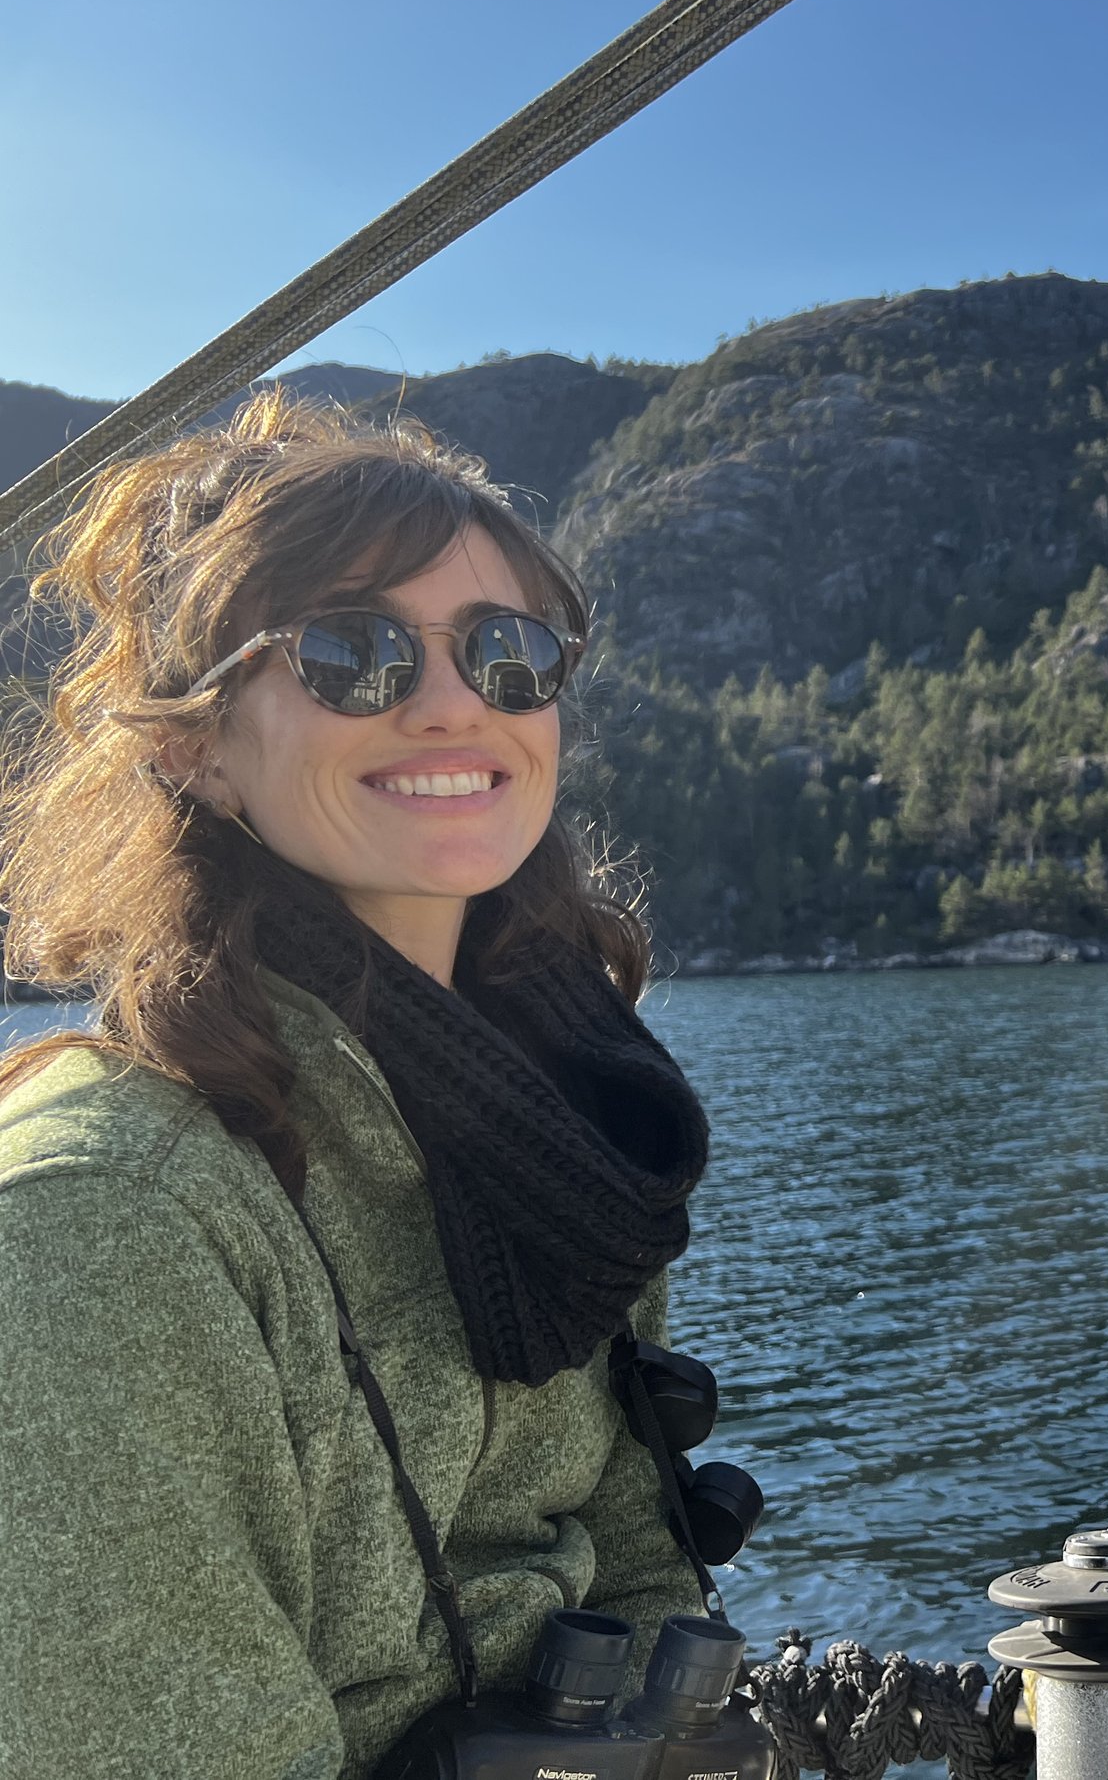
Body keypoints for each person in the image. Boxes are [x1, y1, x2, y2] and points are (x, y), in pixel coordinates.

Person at [0, 395, 712, 1777]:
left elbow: (642, 1573)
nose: (454, 702)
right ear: (191, 747)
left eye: (507, 655)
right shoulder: (105, 1225)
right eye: (352, 652)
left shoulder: (568, 1132)